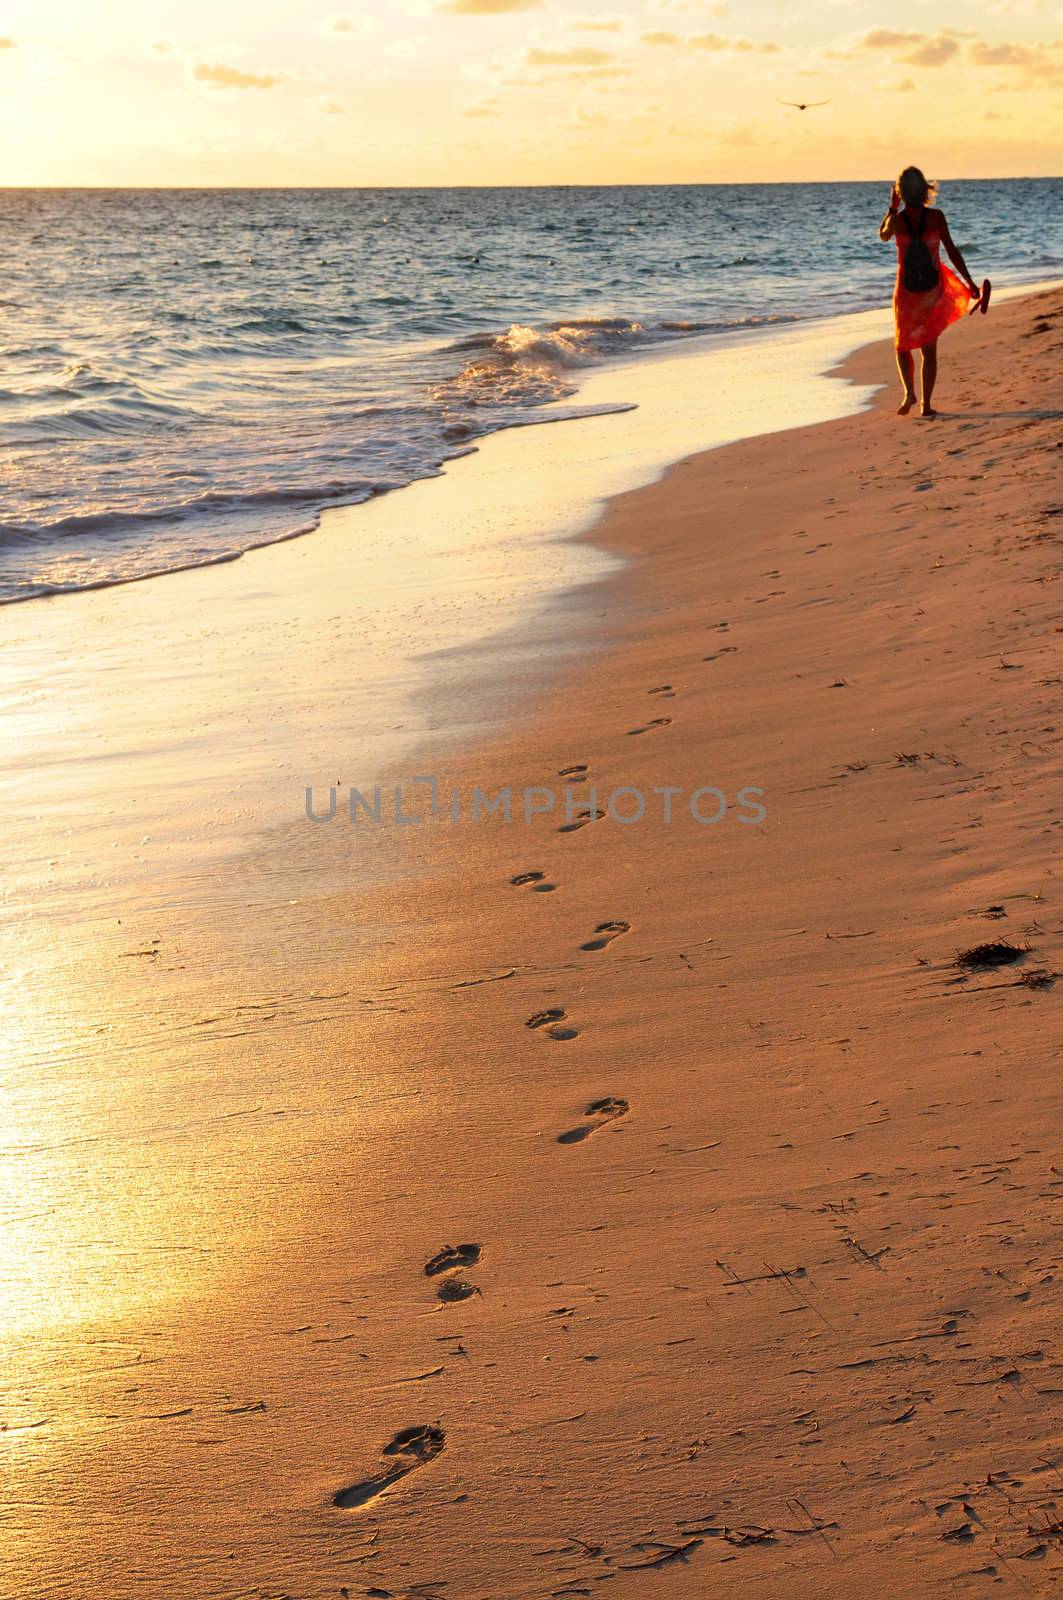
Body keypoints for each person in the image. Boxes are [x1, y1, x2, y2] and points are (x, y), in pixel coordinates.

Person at [879, 167, 981, 417]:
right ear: (925, 189)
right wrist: (969, 281)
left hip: (906, 291)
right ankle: (926, 404)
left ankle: (908, 394)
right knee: (929, 349)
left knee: (902, 345)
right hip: (932, 289)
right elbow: (952, 250)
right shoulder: (936, 217)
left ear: (900, 192)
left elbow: (883, 235)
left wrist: (892, 208)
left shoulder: (898, 220)